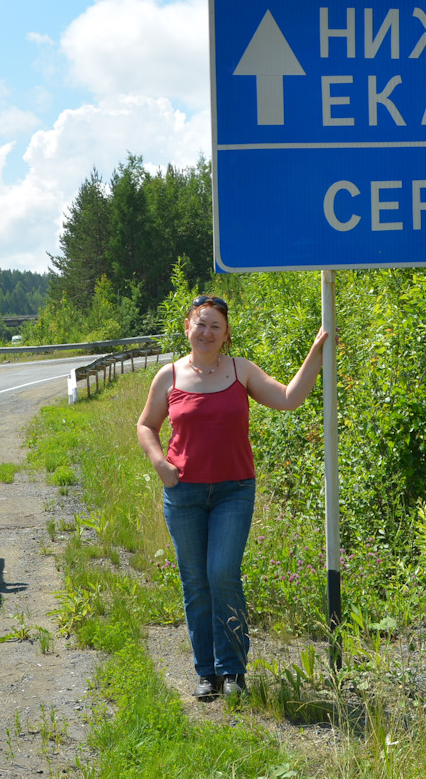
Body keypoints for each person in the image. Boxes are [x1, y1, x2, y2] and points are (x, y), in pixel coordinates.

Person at [137, 294, 329, 701]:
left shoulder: (241, 372)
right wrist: (160, 464)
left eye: (215, 327)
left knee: (223, 573)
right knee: (195, 582)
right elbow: (146, 425)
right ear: (187, 326)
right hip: (183, 493)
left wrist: (316, 353)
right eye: (200, 324)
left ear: (226, 335)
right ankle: (206, 673)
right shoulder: (168, 377)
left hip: (233, 491)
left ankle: (233, 671)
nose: (207, 332)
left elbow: (289, 399)